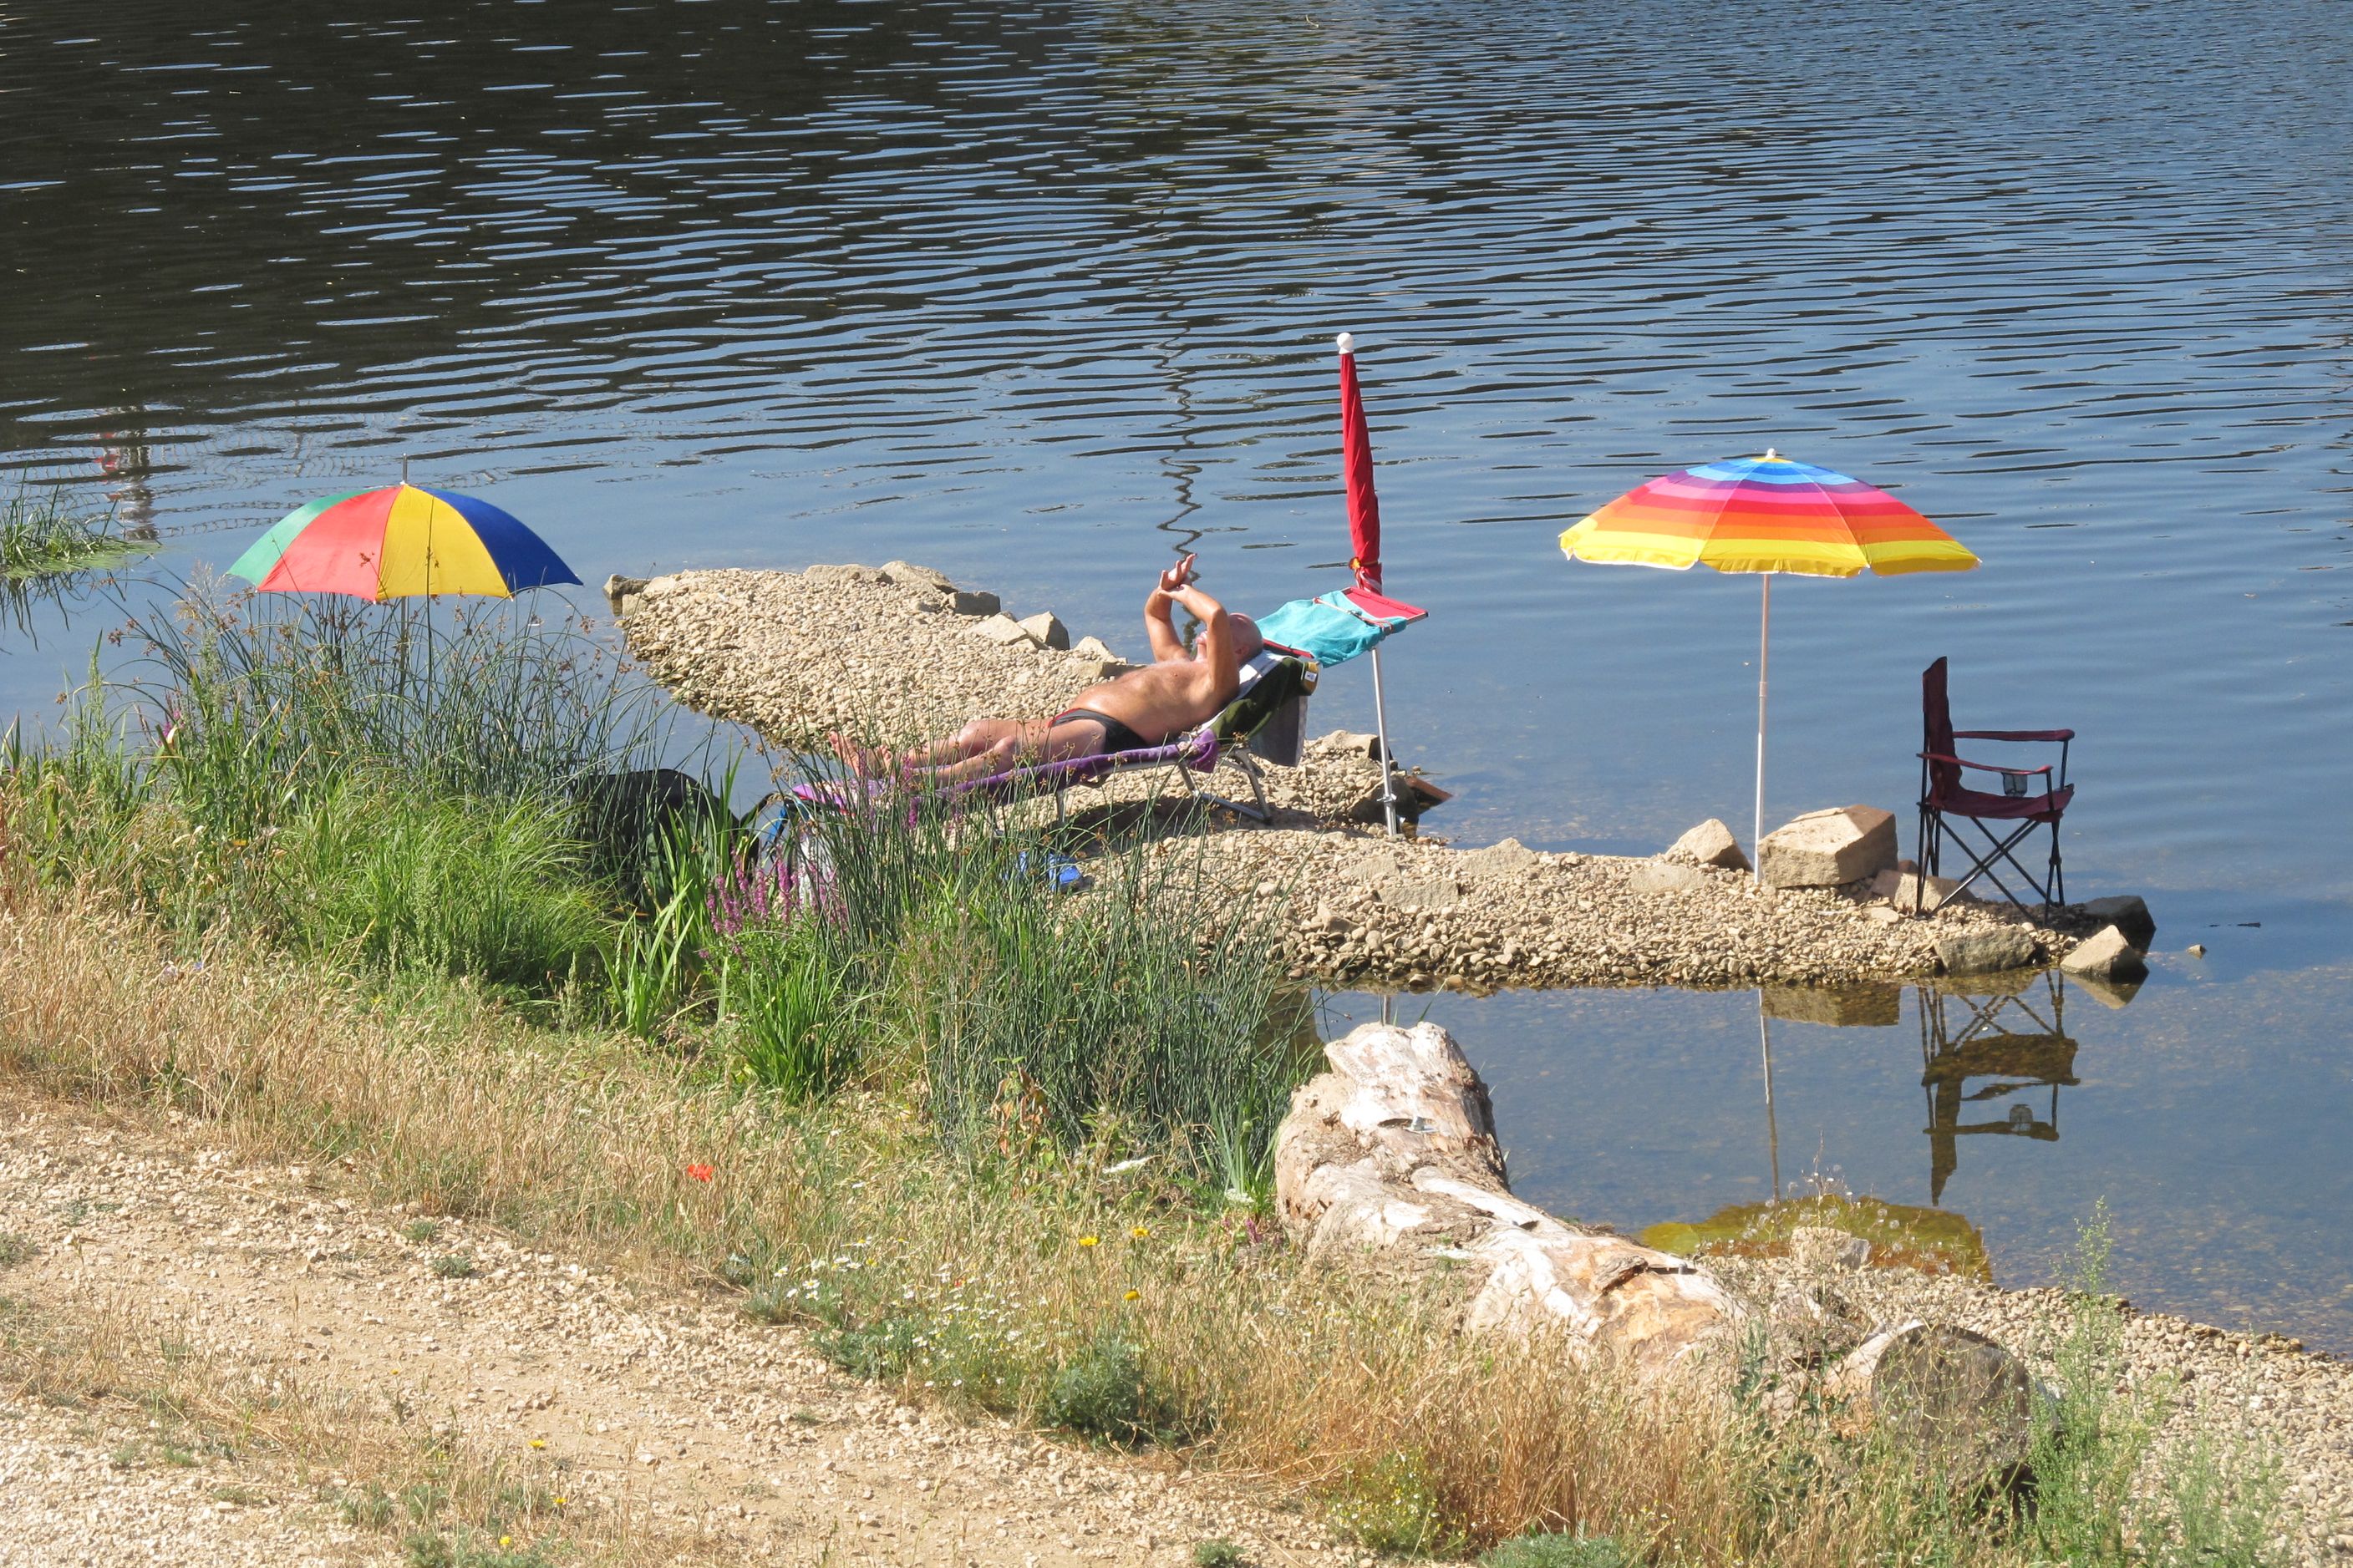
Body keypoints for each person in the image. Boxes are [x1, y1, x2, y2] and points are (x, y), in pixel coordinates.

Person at [843, 552, 1263, 785]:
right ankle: (892, 764)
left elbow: (1217, 615)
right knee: (977, 732)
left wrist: (1190, 595)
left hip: (1109, 735)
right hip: (1074, 718)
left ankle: (921, 787)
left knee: (1008, 754)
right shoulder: (1178, 661)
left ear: (1239, 647)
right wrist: (1166, 588)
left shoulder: (1216, 683)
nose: (1230, 620)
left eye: (1240, 623)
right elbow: (1156, 617)